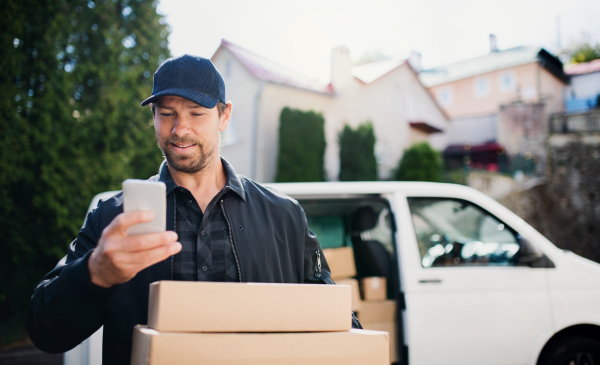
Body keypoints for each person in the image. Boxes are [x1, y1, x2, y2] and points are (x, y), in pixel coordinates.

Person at [28, 54, 361, 365]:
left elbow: (335, 318)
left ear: (224, 116)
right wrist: (95, 273)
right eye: (167, 113)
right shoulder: (112, 217)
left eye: (196, 113)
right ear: (153, 118)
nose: (180, 129)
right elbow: (46, 332)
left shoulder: (284, 216)